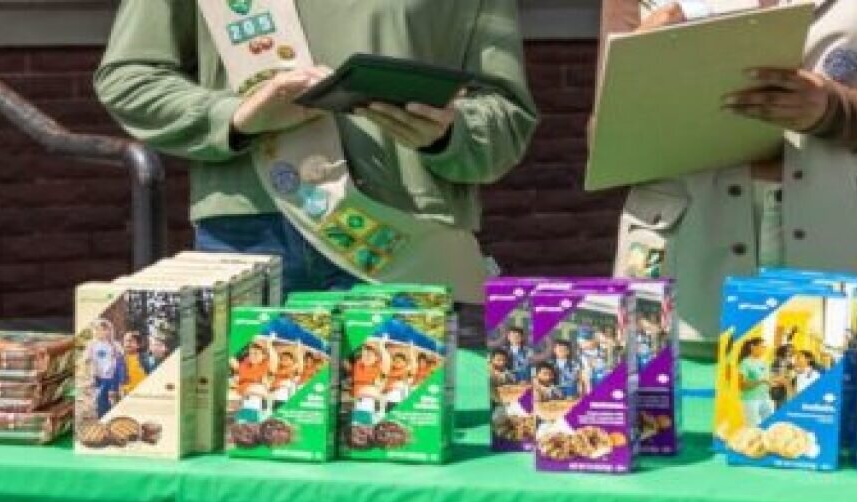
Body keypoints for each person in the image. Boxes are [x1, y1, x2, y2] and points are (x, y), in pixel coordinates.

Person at [600, 0, 857, 347]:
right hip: (689, 281)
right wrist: (640, 72)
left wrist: (839, 112)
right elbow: (604, 141)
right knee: (682, 446)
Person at [95, 0, 538, 301]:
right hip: (250, 230)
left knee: (400, 431)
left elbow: (507, 116)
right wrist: (235, 117)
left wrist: (448, 132)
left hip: (403, 236)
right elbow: (130, 77)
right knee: (250, 429)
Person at [84, 319, 126, 419]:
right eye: (97, 329)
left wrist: (116, 357)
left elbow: (121, 359)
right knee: (102, 398)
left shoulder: (115, 344)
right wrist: (89, 373)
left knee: (104, 397)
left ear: (109, 331)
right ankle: (106, 416)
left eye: (103, 329)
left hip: (111, 376)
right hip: (98, 375)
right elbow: (87, 359)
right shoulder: (92, 344)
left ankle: (104, 417)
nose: (100, 332)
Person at [738, 337, 775, 427]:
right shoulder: (745, 363)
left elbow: (767, 380)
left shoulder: (764, 362)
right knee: (753, 428)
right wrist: (761, 381)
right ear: (752, 347)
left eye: (765, 347)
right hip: (751, 400)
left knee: (769, 425)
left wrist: (773, 382)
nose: (764, 349)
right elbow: (742, 385)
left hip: (765, 398)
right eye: (762, 347)